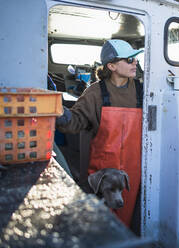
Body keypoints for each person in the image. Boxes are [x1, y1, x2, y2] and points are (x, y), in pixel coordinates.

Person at [56, 39, 144, 227]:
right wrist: (61, 115)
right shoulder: (95, 92)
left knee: (126, 222)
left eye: (135, 59)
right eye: (129, 60)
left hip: (131, 175)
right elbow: (77, 120)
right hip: (101, 175)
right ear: (111, 66)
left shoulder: (142, 90)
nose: (134, 62)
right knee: (100, 223)